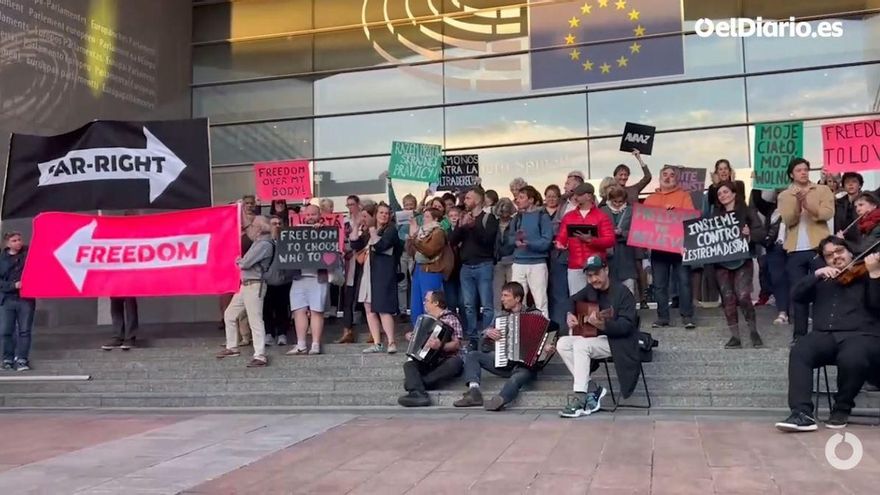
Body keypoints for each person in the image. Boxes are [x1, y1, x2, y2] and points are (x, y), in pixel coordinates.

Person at [775, 237, 880, 431]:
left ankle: (841, 408)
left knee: (853, 356)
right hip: (825, 335)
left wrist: (874, 273)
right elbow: (796, 295)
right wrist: (815, 275)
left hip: (861, 335)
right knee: (800, 350)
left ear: (850, 252)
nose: (836, 257)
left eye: (839, 251)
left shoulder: (868, 274)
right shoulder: (823, 278)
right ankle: (801, 413)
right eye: (829, 255)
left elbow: (877, 306)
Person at [557, 255, 641, 418]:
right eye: (589, 276)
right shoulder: (590, 289)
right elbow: (570, 301)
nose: (593, 279)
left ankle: (580, 398)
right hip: (598, 339)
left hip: (620, 342)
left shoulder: (623, 293)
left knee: (581, 345)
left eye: (596, 274)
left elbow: (626, 326)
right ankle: (592, 389)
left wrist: (603, 325)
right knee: (562, 343)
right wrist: (569, 314)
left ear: (606, 270)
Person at [453, 282, 542, 411]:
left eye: (506, 295)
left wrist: (547, 348)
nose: (502, 299)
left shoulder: (535, 314)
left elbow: (545, 338)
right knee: (472, 355)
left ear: (517, 298)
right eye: (502, 295)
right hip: (504, 362)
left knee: (516, 378)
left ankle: (501, 399)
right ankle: (474, 392)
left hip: (525, 366)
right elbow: (483, 335)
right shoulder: (501, 316)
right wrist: (488, 332)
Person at [778, 158, 834, 342]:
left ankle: (823, 333)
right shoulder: (784, 195)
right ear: (791, 174)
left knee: (824, 290)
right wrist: (798, 202)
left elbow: (827, 214)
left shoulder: (822, 190)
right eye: (799, 170)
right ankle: (799, 336)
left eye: (805, 169)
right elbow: (788, 220)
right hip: (795, 250)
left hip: (818, 247)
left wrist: (807, 205)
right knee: (799, 292)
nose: (803, 172)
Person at [711, 181, 766, 349]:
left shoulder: (747, 211)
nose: (723, 196)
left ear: (734, 194)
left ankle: (753, 331)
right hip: (721, 263)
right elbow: (703, 238)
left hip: (742, 260)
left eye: (726, 192)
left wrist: (750, 234)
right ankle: (735, 337)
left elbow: (761, 233)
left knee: (743, 296)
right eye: (719, 194)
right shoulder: (715, 215)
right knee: (728, 298)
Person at [643, 165, 697, 329]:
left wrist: (675, 212)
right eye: (665, 174)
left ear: (676, 179)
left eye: (672, 175)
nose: (668, 177)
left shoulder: (684, 196)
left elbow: (690, 218)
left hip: (680, 246)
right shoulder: (650, 199)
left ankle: (687, 316)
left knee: (684, 282)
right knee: (659, 284)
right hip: (658, 248)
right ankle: (663, 317)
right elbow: (644, 223)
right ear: (660, 178)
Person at [216, 217, 274, 367]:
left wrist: (238, 261)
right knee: (230, 314)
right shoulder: (258, 242)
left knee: (255, 320)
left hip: (255, 284)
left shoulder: (264, 244)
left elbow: (245, 263)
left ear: (259, 229)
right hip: (246, 285)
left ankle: (260, 355)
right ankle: (232, 347)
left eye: (253, 226)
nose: (250, 228)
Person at [448, 188, 499, 348]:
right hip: (466, 267)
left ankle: (487, 338)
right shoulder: (463, 218)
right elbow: (452, 241)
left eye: (468, 198)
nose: (465, 201)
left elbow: (488, 241)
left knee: (487, 305)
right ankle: (473, 338)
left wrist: (473, 227)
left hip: (484, 265)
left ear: (477, 200)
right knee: (468, 305)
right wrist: (461, 226)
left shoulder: (489, 218)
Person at [398, 290, 464, 407]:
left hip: (446, 360)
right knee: (409, 365)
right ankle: (418, 393)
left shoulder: (451, 318)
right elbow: (419, 339)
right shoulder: (425, 320)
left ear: (436, 303)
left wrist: (441, 346)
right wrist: (410, 336)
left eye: (427, 301)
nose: (424, 303)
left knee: (455, 362)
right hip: (429, 361)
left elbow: (457, 344)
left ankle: (416, 386)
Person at [286, 205, 332, 356]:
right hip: (299, 277)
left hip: (318, 278)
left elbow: (332, 247)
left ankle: (315, 344)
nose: (310, 217)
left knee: (316, 311)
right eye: (308, 214)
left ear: (320, 215)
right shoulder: (296, 230)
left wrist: (321, 231)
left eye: (313, 214)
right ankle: (301, 345)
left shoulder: (326, 231)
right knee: (298, 310)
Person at [554, 183, 615, 295]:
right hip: (575, 266)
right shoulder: (568, 217)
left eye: (579, 194)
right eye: (575, 194)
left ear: (588, 196)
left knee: (599, 299)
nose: (575, 197)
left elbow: (610, 240)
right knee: (577, 299)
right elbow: (561, 237)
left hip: (596, 265)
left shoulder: (601, 216)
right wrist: (559, 244)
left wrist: (591, 240)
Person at [355, 203, 400, 353]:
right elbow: (355, 244)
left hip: (383, 274)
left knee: (383, 308)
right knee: (369, 308)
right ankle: (377, 343)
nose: (384, 215)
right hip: (369, 272)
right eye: (381, 212)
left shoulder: (391, 230)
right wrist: (356, 226)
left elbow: (381, 246)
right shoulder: (370, 230)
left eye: (386, 213)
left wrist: (373, 230)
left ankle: (391, 342)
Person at [510, 185, 553, 317]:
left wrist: (529, 244)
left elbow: (547, 241)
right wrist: (515, 242)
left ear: (531, 200)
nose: (518, 200)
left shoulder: (542, 216)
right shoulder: (517, 217)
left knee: (540, 301)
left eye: (521, 197)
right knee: (516, 302)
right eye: (517, 198)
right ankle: (519, 327)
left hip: (537, 264)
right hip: (518, 263)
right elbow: (510, 237)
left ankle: (543, 328)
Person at [406, 208, 454, 323]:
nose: (424, 219)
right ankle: (418, 329)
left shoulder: (439, 232)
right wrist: (412, 236)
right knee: (416, 303)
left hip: (431, 270)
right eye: (424, 216)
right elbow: (411, 252)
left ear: (435, 219)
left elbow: (430, 250)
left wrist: (415, 239)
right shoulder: (421, 231)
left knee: (430, 302)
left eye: (427, 216)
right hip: (418, 268)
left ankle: (430, 329)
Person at [0, 232, 35, 371]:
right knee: (6, 331)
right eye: (14, 240)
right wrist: (12, 285)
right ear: (7, 243)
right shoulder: (2, 259)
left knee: (24, 330)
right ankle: (7, 359)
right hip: (7, 299)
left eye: (19, 239)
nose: (18, 242)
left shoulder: (29, 254)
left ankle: (22, 359)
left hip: (25, 299)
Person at [600, 185, 637, 296]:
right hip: (608, 253)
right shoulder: (602, 210)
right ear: (610, 199)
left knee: (628, 285)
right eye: (614, 201)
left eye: (620, 202)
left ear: (624, 200)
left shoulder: (631, 211)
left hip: (626, 253)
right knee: (610, 286)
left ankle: (629, 306)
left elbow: (637, 232)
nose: (617, 204)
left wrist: (623, 233)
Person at [337, 195, 363, 344]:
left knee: (366, 298)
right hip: (349, 261)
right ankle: (347, 331)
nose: (350, 207)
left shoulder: (364, 220)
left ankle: (374, 332)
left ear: (358, 204)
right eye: (348, 205)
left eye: (352, 204)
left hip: (364, 260)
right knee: (348, 297)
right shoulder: (345, 222)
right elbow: (341, 240)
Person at [262, 215, 291, 347]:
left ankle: (282, 333)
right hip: (267, 281)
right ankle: (269, 333)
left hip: (284, 281)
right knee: (266, 308)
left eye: (279, 223)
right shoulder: (263, 242)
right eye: (274, 224)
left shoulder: (288, 241)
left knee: (282, 308)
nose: (277, 226)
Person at [544, 184, 570, 330]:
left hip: (558, 255)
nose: (551, 199)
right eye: (549, 196)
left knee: (559, 291)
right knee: (545, 292)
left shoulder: (563, 211)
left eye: (554, 196)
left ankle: (559, 325)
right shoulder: (540, 212)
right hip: (541, 256)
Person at [493, 198, 516, 313]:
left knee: (513, 292)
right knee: (497, 293)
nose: (504, 214)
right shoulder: (494, 224)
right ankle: (497, 317)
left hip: (512, 260)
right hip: (498, 261)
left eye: (507, 211)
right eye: (502, 212)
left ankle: (516, 316)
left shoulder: (515, 222)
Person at [834, 172, 863, 243]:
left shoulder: (866, 201)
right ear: (843, 186)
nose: (850, 184)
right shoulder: (838, 203)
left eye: (854, 181)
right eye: (847, 182)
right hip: (843, 239)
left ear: (860, 185)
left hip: (861, 239)